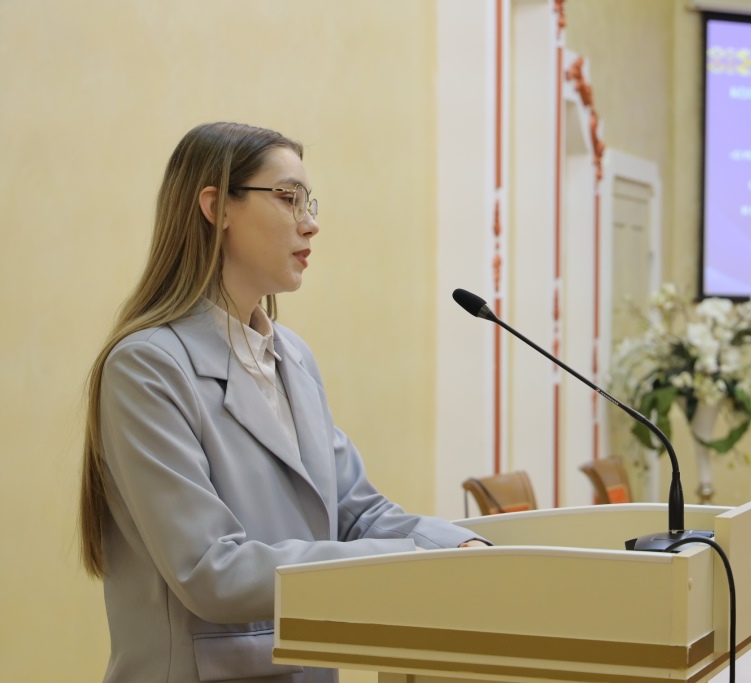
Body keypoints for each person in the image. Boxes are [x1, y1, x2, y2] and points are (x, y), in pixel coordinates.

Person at [78, 122, 486, 683]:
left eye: (308, 202)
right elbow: (210, 570)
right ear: (216, 207)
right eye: (288, 197)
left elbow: (355, 512)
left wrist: (461, 545)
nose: (310, 223)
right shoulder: (147, 367)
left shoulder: (292, 356)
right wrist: (407, 562)